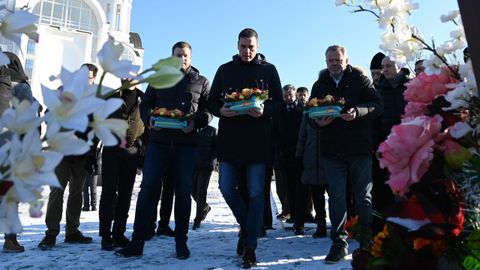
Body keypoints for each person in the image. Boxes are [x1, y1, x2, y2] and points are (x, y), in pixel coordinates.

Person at [115, 41, 211, 259]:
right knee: (147, 190)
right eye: (178, 55)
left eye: (185, 55)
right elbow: (146, 104)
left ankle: (181, 242)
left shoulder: (201, 82)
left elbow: (208, 111)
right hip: (159, 143)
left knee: (183, 193)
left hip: (186, 145)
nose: (182, 59)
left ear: (191, 57)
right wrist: (150, 119)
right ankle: (137, 242)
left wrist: (195, 123)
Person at [207, 28, 282, 269]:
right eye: (243, 46)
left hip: (258, 141)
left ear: (257, 46)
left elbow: (278, 103)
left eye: (251, 47)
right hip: (230, 140)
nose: (247, 51)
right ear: (237, 46)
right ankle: (248, 227)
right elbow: (211, 100)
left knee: (256, 192)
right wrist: (221, 111)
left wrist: (265, 111)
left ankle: (250, 245)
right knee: (226, 187)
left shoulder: (268, 70)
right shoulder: (224, 70)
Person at [310, 45, 383, 264]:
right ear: (326, 62)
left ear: (346, 60)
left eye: (338, 60)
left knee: (363, 197)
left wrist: (357, 112)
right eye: (331, 60)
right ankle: (339, 242)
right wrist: (318, 122)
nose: (335, 63)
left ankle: (366, 242)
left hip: (359, 148)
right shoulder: (319, 85)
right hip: (332, 150)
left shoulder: (360, 80)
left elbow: (376, 104)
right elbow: (310, 113)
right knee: (336, 197)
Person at [38, 63, 99, 250]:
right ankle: (51, 234)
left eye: (89, 77)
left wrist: (92, 153)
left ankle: (72, 231)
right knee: (57, 191)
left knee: (76, 192)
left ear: (93, 79)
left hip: (81, 153)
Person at [98, 78, 145, 251]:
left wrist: (143, 152)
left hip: (132, 152)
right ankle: (105, 236)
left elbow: (146, 125)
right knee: (108, 193)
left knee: (125, 194)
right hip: (111, 150)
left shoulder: (144, 98)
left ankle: (119, 233)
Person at [371, 56, 409, 234]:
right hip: (385, 150)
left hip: (410, 149)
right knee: (383, 193)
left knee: (408, 192)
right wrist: (377, 146)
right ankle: (384, 233)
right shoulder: (377, 91)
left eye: (389, 66)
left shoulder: (411, 87)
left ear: (399, 66)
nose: (385, 70)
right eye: (383, 67)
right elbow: (373, 122)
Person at [272, 84, 305, 235]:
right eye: (285, 96)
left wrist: (297, 149)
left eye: (290, 95)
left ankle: (300, 221)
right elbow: (274, 132)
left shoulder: (302, 111)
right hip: (284, 155)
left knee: (301, 189)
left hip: (300, 155)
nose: (288, 98)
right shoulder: (278, 112)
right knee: (289, 190)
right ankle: (294, 218)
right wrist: (282, 148)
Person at [295, 113, 328, 239]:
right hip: (311, 160)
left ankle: (338, 224)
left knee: (335, 195)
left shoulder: (332, 110)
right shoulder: (308, 114)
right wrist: (299, 156)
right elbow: (302, 137)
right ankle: (321, 224)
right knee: (317, 194)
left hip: (330, 160)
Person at [191, 124, 217, 230]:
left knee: (201, 192)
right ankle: (205, 207)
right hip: (193, 165)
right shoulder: (192, 129)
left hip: (206, 166)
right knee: (192, 191)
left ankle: (198, 219)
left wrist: (211, 160)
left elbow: (216, 148)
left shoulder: (212, 131)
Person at [82, 146, 100, 212]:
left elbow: (97, 161)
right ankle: (86, 206)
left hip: (93, 171)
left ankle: (93, 206)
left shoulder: (96, 150)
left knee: (93, 189)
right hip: (85, 171)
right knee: (85, 189)